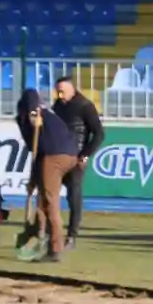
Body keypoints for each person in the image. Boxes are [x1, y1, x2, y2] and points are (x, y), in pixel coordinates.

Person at [14, 87, 80, 263]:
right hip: (68, 156)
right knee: (44, 200)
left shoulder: (32, 117)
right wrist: (33, 181)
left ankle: (55, 248)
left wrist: (34, 180)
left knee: (49, 202)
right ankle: (39, 231)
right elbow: (38, 153)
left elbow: (39, 152)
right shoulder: (45, 115)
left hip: (55, 156)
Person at [51, 76, 103, 251]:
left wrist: (85, 155)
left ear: (72, 89)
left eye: (62, 91)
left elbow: (99, 134)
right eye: (57, 91)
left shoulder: (85, 106)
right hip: (57, 156)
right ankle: (49, 234)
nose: (59, 95)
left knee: (74, 197)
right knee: (49, 195)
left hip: (76, 158)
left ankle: (72, 236)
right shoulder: (57, 106)